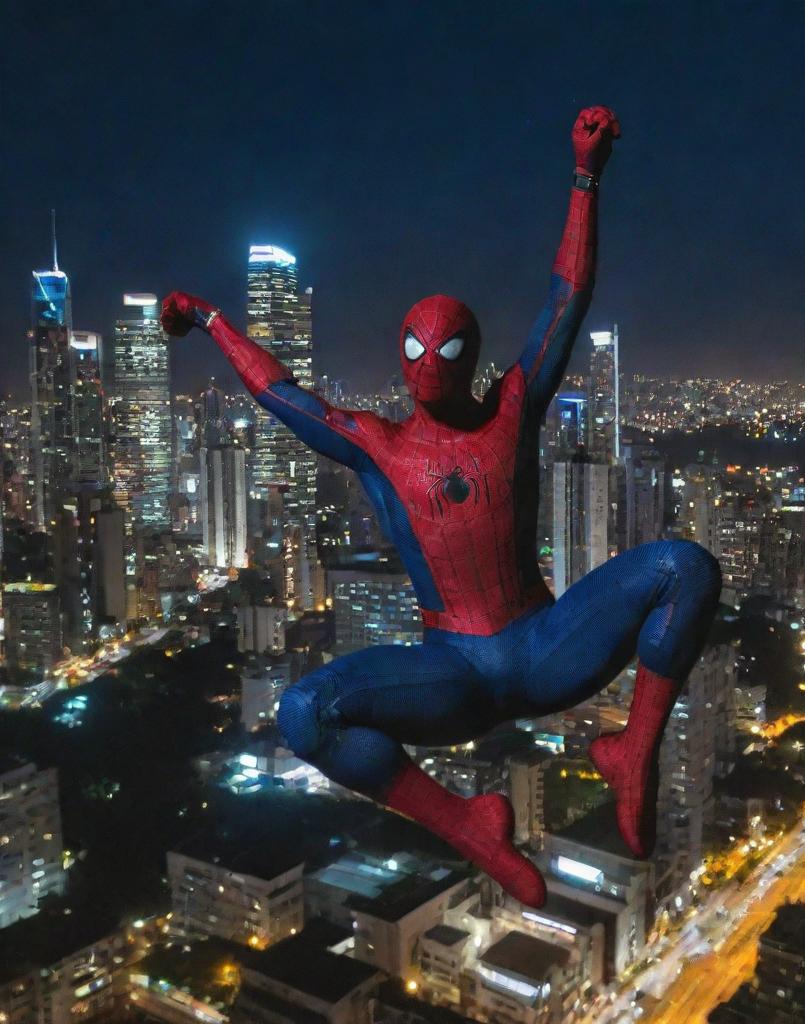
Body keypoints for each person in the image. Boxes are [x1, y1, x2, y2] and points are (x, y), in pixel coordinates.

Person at [161, 106, 720, 907]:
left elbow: (568, 299)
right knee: (303, 714)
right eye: (416, 349)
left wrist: (585, 178)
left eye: (446, 347)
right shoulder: (380, 446)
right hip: (448, 673)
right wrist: (212, 320)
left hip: (546, 645)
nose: (430, 364)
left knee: (686, 568)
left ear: (471, 355)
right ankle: (463, 825)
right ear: (401, 357)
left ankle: (635, 748)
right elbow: (279, 394)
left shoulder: (513, 410)